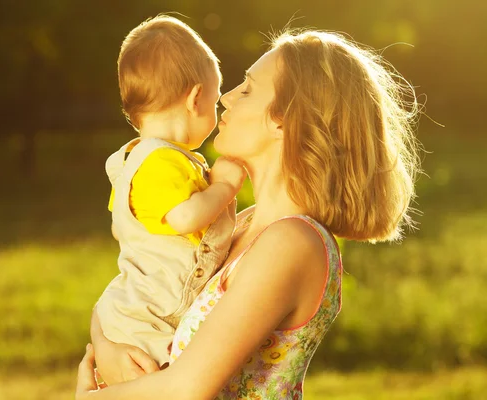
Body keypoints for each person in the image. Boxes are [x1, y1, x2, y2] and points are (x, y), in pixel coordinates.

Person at [79, 28, 421, 399]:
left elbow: (185, 389)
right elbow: (137, 288)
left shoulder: (292, 242)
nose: (225, 98)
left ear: (283, 119)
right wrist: (106, 347)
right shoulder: (240, 225)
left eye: (247, 89)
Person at [94, 14, 246, 382]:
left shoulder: (151, 158)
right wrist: (224, 188)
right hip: (148, 323)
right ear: (195, 98)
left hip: (147, 315)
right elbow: (183, 219)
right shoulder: (158, 161)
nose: (219, 106)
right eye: (214, 99)